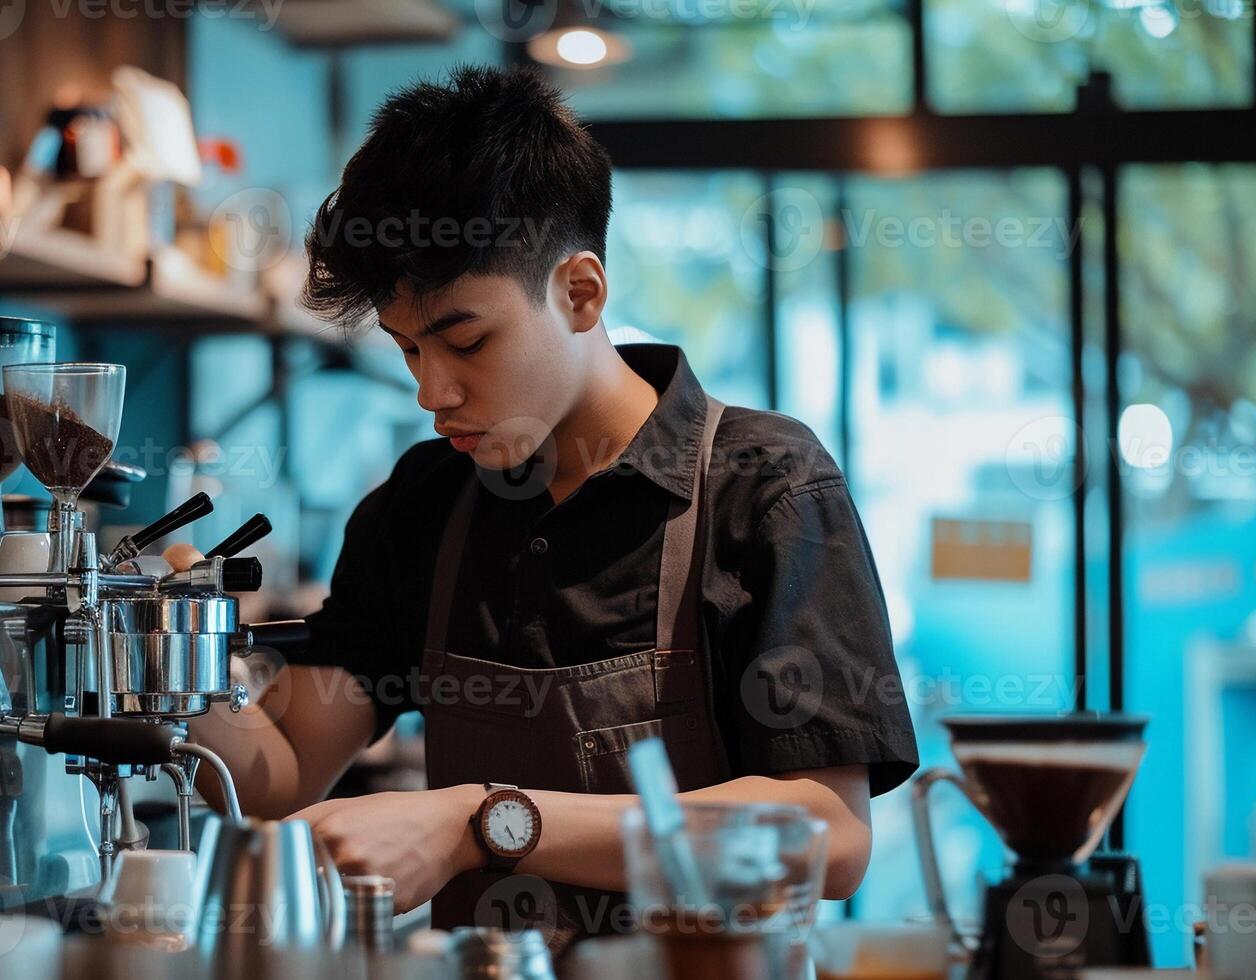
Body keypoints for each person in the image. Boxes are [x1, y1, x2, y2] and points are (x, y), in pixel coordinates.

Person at [181, 65, 917, 945]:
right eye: (408, 350)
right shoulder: (424, 503)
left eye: (464, 339)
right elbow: (284, 768)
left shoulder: (762, 485)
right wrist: (165, 660)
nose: (432, 390)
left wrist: (482, 821)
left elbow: (827, 836)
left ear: (580, 292)